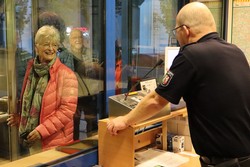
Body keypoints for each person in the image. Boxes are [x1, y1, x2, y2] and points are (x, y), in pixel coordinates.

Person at [107, 2, 250, 167]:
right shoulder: (235, 51)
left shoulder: (191, 54)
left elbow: (156, 100)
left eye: (176, 31)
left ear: (185, 30)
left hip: (226, 163)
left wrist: (124, 121)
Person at [7, 25, 78, 155]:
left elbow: (67, 111)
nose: (51, 49)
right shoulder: (31, 70)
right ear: (36, 47)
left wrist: (41, 130)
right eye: (46, 44)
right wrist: (21, 119)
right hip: (33, 138)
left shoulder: (66, 74)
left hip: (55, 142)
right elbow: (29, 101)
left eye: (55, 45)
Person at [69, 28, 103, 139]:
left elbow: (98, 71)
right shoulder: (67, 55)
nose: (78, 40)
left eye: (80, 37)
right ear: (70, 40)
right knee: (74, 124)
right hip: (75, 95)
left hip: (91, 94)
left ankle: (90, 144)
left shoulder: (91, 52)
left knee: (91, 124)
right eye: (75, 38)